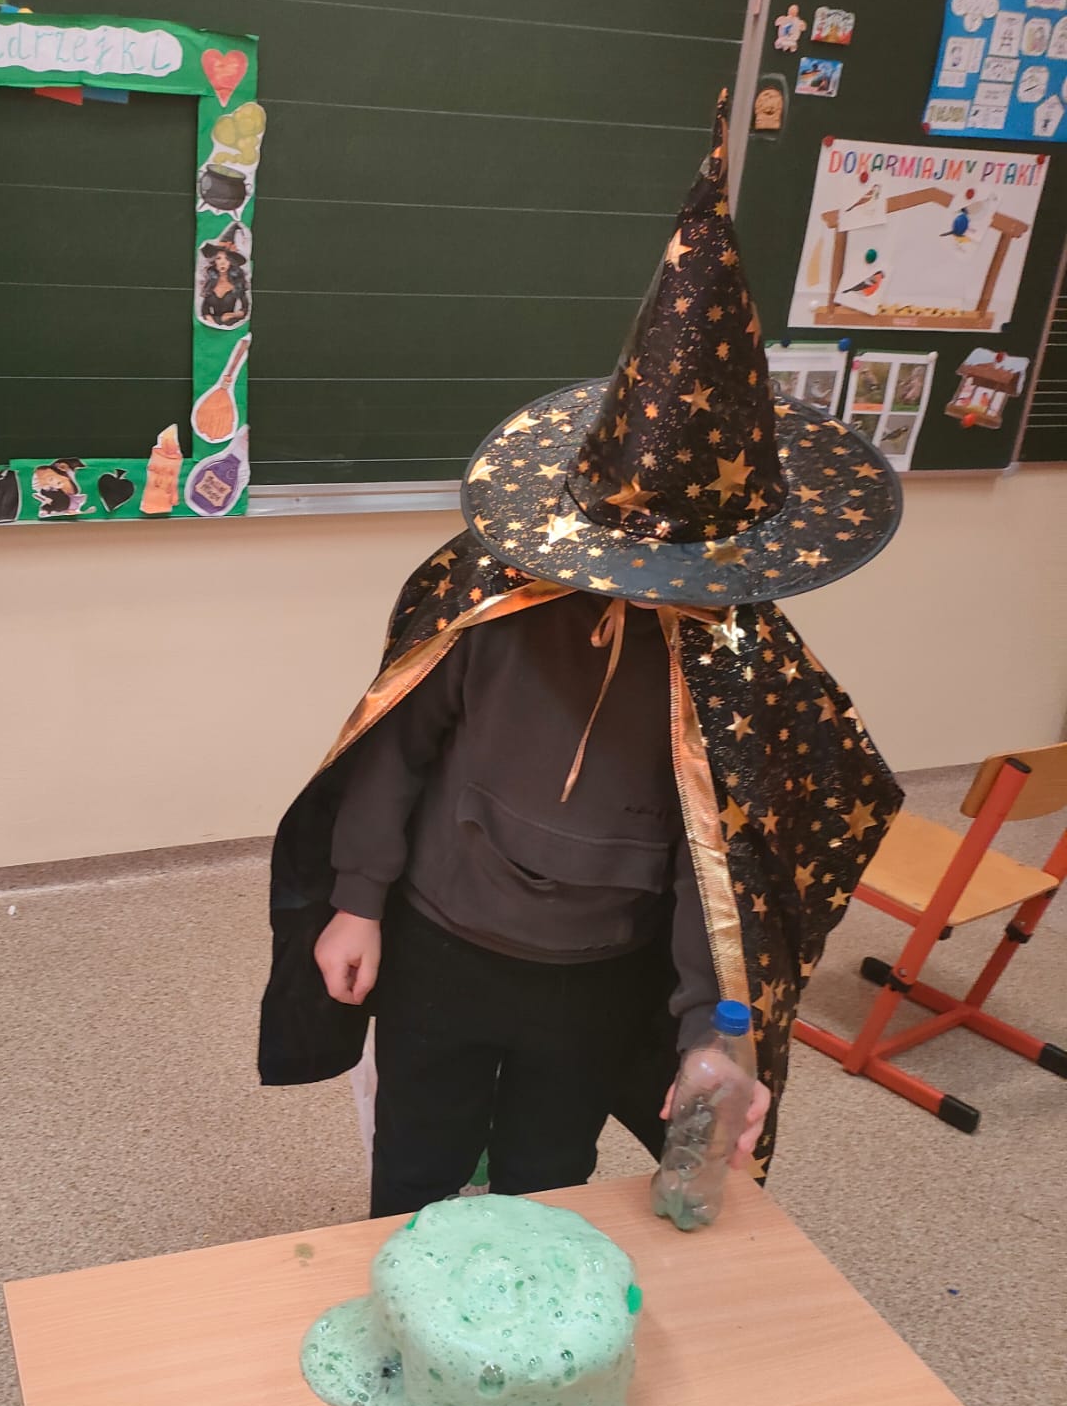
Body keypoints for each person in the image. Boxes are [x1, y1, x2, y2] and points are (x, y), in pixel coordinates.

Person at [257, 94, 904, 1217]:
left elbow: (730, 869)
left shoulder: (741, 668)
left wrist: (712, 1030)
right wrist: (356, 900)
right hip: (441, 939)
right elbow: (395, 749)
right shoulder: (488, 596)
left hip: (599, 974)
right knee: (415, 1168)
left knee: (548, 1180)